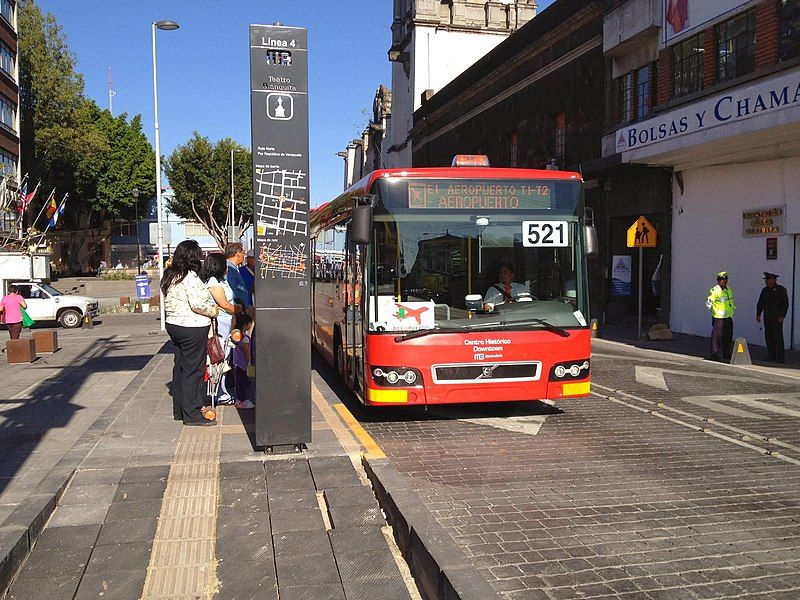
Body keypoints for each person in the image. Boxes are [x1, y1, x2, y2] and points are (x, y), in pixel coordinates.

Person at [162, 240, 219, 426]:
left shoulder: (170, 275)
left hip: (174, 326)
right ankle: (192, 413)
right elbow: (198, 304)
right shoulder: (190, 277)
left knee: (180, 368)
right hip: (192, 327)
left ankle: (179, 409)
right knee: (193, 371)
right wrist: (214, 310)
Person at [200, 253, 242, 404]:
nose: (227, 268)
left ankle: (221, 391)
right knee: (218, 358)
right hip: (220, 323)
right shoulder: (213, 283)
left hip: (226, 322)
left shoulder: (220, 281)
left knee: (224, 359)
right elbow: (224, 304)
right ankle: (217, 393)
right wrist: (237, 309)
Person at [756, 272, 789, 363]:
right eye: (766, 280)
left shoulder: (781, 290)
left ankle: (780, 357)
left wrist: (782, 315)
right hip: (767, 315)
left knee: (778, 337)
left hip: (777, 316)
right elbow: (761, 303)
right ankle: (771, 355)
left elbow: (785, 304)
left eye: (768, 280)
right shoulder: (765, 290)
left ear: (773, 280)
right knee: (769, 336)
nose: (766, 281)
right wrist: (758, 314)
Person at [706, 270, 735, 362]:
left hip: (728, 317)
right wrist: (711, 308)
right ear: (718, 281)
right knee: (717, 337)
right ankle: (715, 353)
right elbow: (708, 302)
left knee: (728, 336)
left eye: (725, 279)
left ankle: (726, 353)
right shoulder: (715, 290)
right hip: (718, 317)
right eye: (722, 280)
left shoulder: (728, 290)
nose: (724, 281)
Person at [231, 311, 255, 409]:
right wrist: (250, 361)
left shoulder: (236, 337)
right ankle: (241, 401)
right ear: (246, 325)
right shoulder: (245, 339)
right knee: (243, 383)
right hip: (243, 365)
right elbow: (247, 352)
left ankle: (239, 399)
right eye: (250, 323)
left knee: (239, 382)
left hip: (236, 363)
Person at [224, 242, 252, 312]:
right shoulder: (230, 268)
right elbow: (231, 288)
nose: (244, 255)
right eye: (243, 253)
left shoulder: (232, 267)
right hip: (236, 309)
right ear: (237, 254)